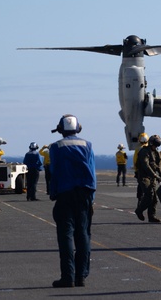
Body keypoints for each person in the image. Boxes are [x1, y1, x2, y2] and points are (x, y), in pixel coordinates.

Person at [48, 114, 97, 289]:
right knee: (83, 235)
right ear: (78, 128)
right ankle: (81, 276)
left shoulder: (55, 147)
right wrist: (91, 199)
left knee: (66, 235)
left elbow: (54, 172)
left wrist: (53, 193)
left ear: (61, 129)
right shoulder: (87, 145)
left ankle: (67, 277)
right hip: (84, 194)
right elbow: (91, 172)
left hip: (64, 195)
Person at [135, 133, 161, 223]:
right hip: (144, 176)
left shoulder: (156, 153)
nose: (156, 146)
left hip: (153, 177)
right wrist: (156, 175)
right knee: (149, 194)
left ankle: (152, 216)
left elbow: (159, 166)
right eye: (155, 144)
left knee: (155, 198)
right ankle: (139, 210)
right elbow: (146, 165)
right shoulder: (144, 152)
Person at [132, 132, 148, 200]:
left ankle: (140, 198)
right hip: (148, 169)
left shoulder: (138, 149)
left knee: (140, 184)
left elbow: (135, 159)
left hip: (140, 170)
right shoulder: (149, 148)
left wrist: (136, 169)